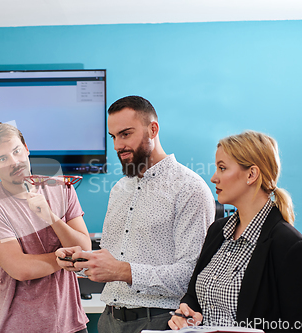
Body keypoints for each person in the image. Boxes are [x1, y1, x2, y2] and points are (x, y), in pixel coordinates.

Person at [56, 96, 215, 333]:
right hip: (109, 320)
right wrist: (81, 259)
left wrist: (123, 271)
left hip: (161, 322)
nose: (118, 145)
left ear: (153, 129)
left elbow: (192, 275)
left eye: (126, 134)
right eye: (114, 137)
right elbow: (111, 257)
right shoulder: (120, 189)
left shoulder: (189, 188)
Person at [169, 130, 302, 332]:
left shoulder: (291, 246)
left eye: (222, 168)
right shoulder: (217, 231)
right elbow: (193, 298)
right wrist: (186, 315)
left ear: (251, 174)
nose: (214, 178)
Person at [0, 122, 91, 333]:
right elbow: (21, 268)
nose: (14, 162)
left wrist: (50, 217)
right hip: (21, 326)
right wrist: (66, 258)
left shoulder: (62, 188)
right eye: (2, 159)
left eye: (16, 151)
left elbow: (84, 249)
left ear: (26, 149)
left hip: (71, 323)